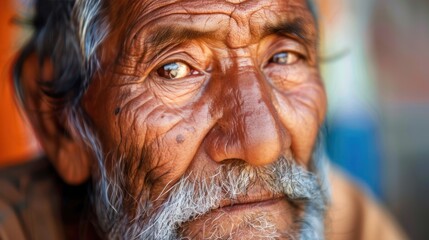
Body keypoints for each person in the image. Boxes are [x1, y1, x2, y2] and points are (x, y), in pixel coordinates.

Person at [0, 0, 407, 239]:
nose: (262, 146)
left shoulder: (348, 221)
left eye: (282, 57)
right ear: (59, 121)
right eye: (174, 69)